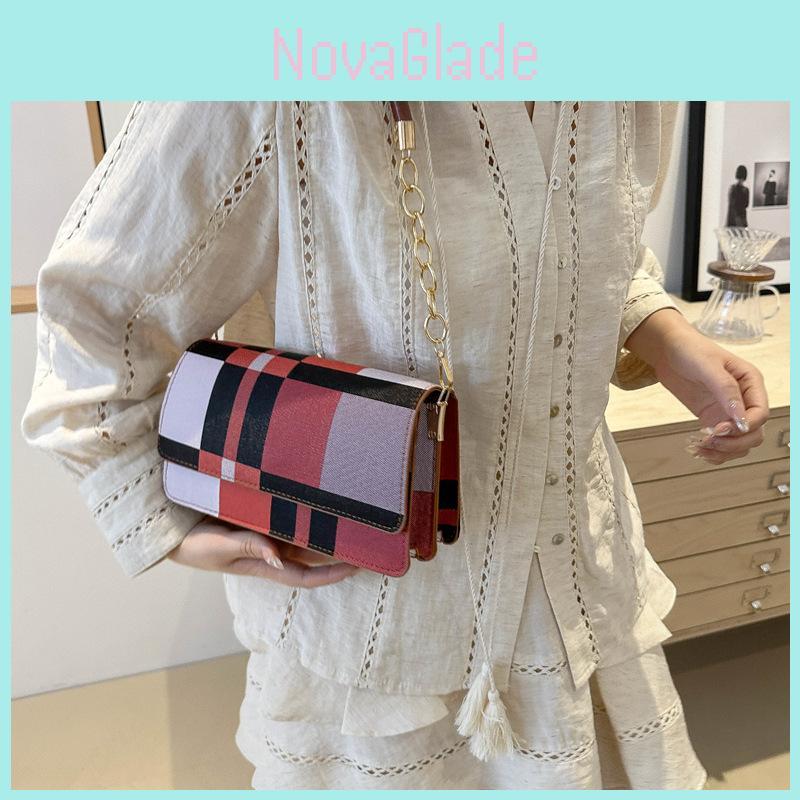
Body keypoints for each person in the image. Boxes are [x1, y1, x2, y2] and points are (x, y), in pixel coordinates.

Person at [21, 101, 770, 790]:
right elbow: (91, 314)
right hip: (375, 634)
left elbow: (593, 235)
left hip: (586, 594)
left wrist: (662, 335)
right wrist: (162, 516)